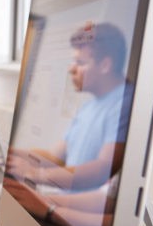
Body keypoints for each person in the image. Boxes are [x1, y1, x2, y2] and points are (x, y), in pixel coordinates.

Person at [7, 21, 130, 192]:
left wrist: (33, 174)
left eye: (80, 62)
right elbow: (55, 157)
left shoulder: (124, 104)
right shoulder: (88, 107)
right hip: (63, 206)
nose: (71, 69)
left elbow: (102, 169)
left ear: (105, 65)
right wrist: (11, 154)